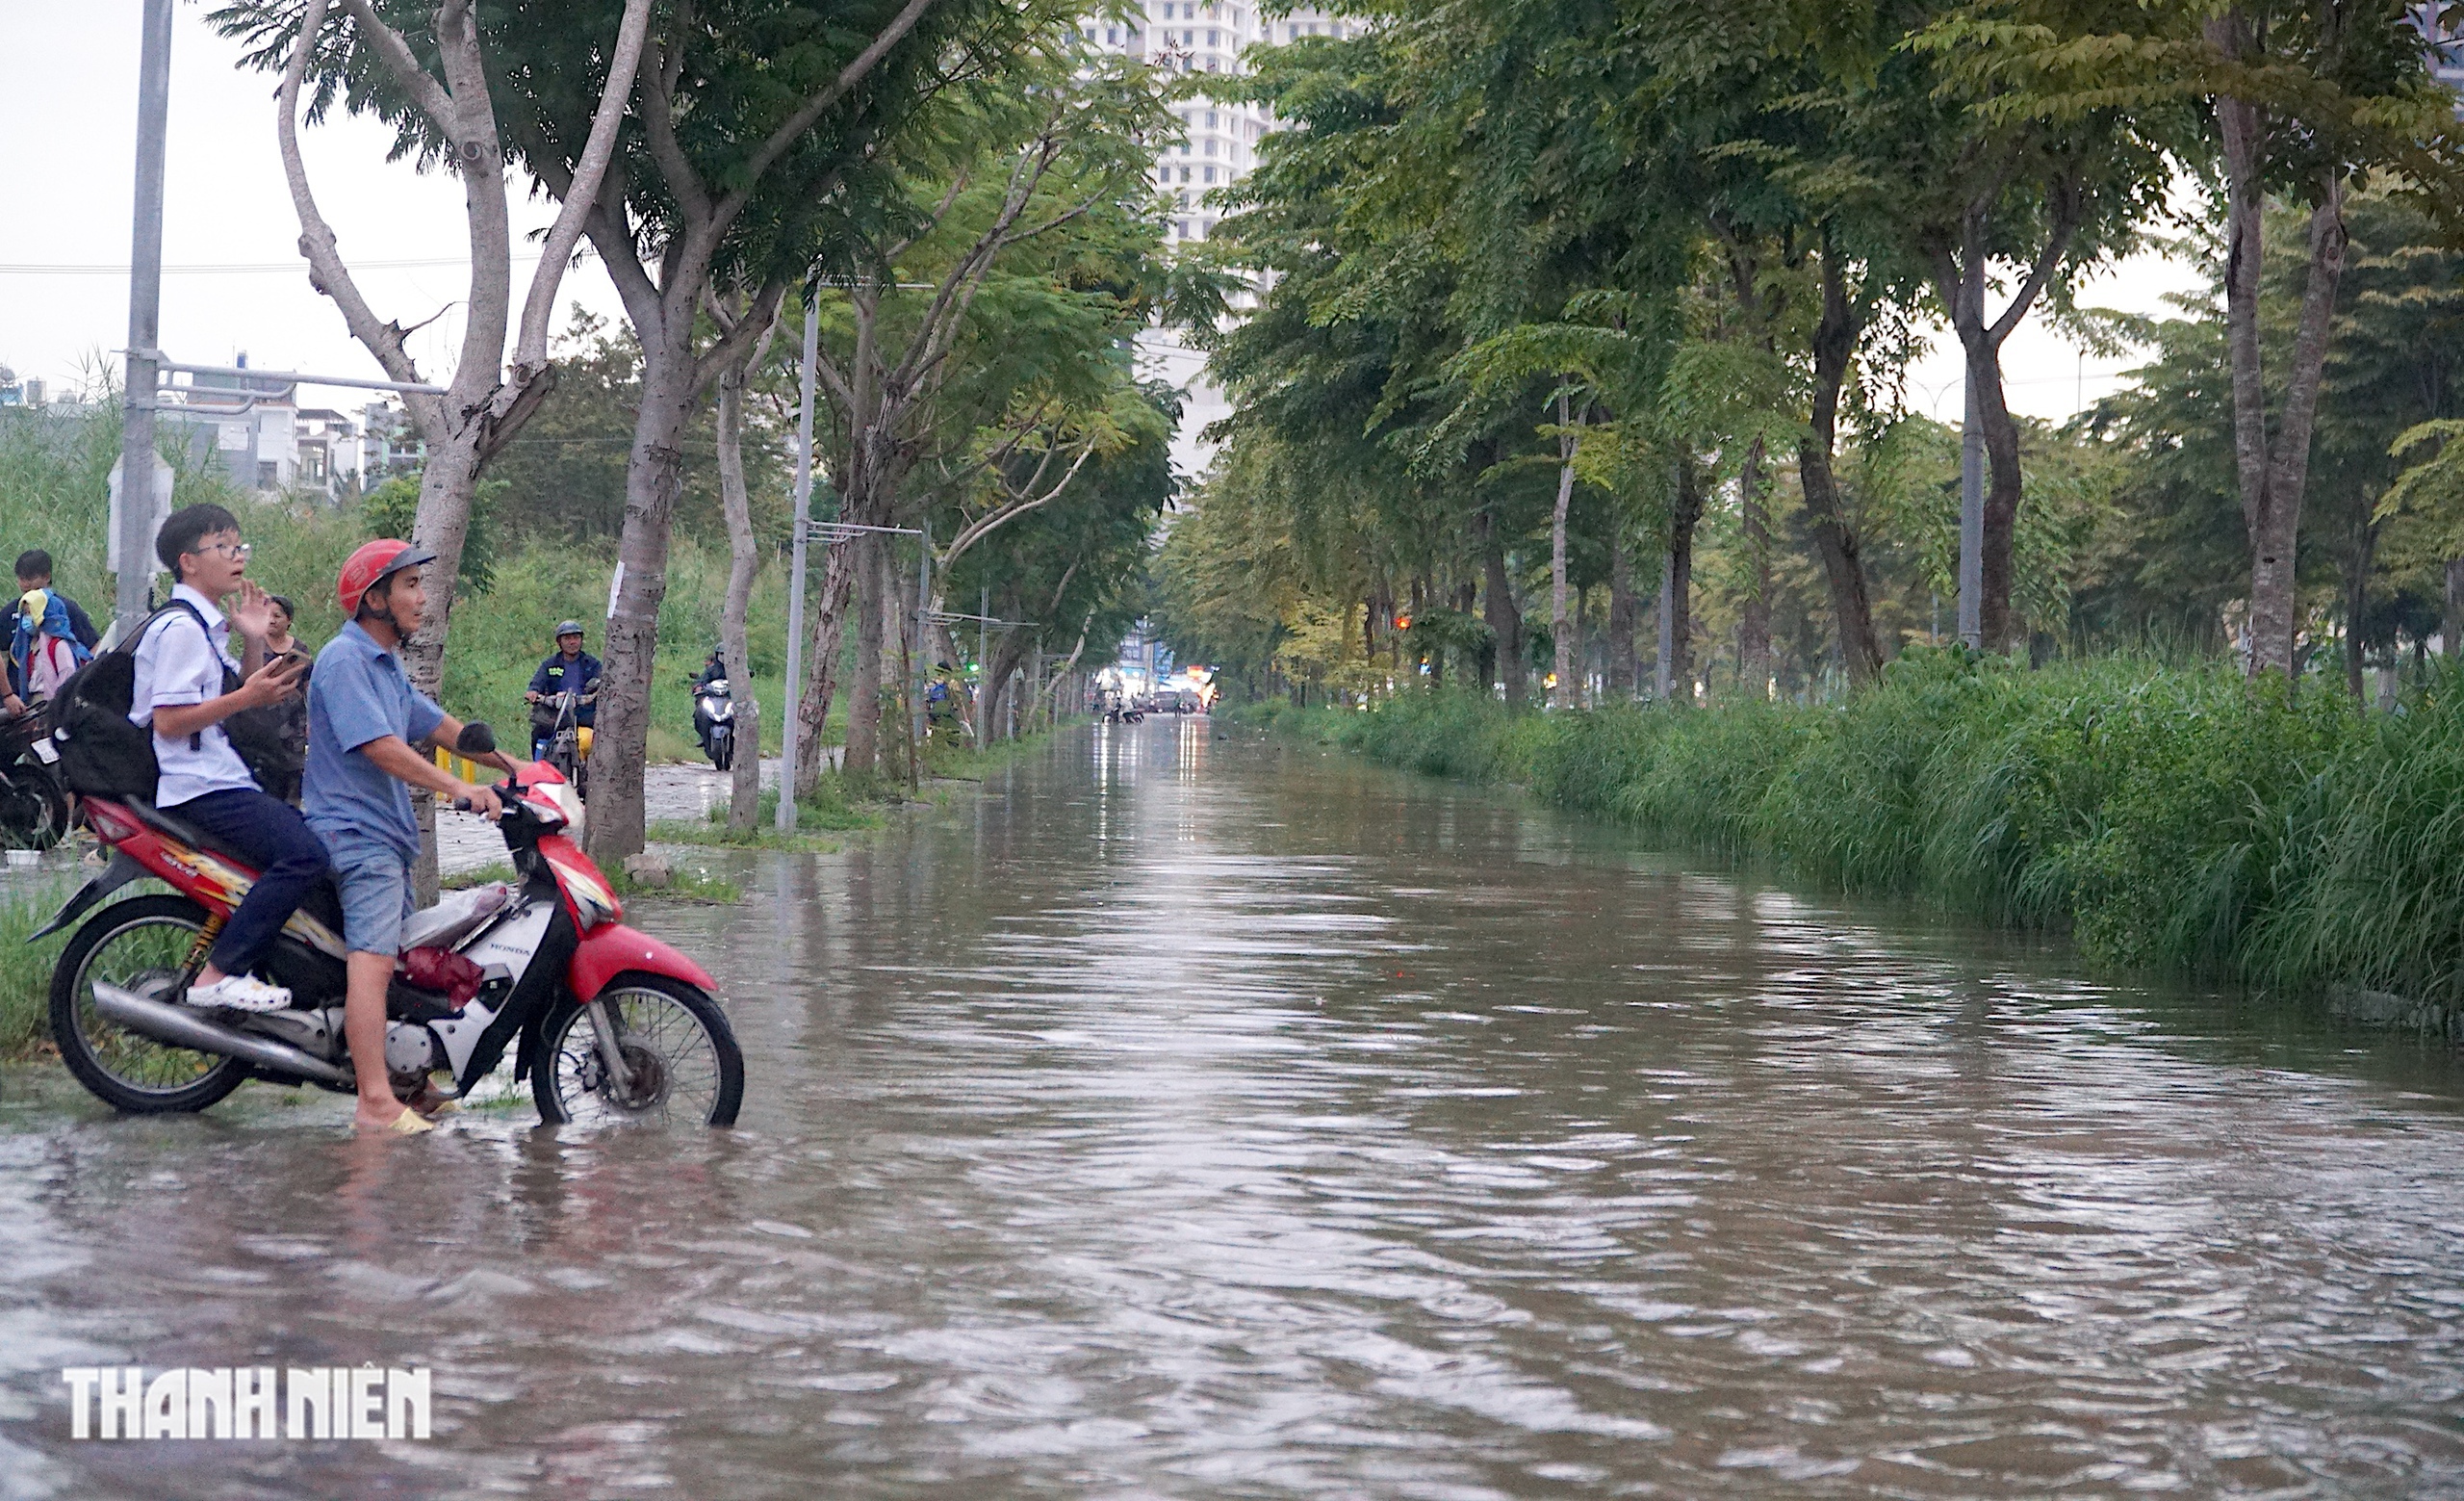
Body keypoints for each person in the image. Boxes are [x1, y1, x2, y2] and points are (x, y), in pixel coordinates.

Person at [306, 538, 505, 1134]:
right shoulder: (344, 661)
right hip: (355, 837)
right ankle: (373, 1101)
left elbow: (444, 728)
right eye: (410, 586)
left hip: (386, 840)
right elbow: (381, 748)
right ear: (374, 598)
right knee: (374, 964)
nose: (423, 597)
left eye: (422, 584)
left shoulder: (384, 662)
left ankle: (407, 1083)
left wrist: (519, 771)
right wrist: (459, 788)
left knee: (402, 966)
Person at [129, 505, 320, 1013]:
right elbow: (169, 721)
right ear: (188, 562)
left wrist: (254, 639)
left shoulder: (205, 627)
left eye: (240, 547)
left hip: (219, 777)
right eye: (225, 548)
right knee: (305, 855)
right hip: (199, 785)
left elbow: (241, 700)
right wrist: (246, 698)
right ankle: (220, 973)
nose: (237, 558)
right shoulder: (182, 630)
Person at [258, 595, 311, 804]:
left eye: (277, 616)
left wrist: (312, 721)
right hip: (263, 722)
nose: (271, 620)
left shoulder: (300, 650)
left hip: (294, 722)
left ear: (288, 620)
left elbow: (309, 685)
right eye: (267, 615)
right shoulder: (257, 646)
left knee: (293, 776)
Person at [525, 621, 600, 760]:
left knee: (587, 740)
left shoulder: (592, 664)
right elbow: (537, 682)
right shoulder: (550, 664)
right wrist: (533, 692)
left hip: (583, 717)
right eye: (567, 638)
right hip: (554, 717)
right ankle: (539, 772)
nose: (572, 642)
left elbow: (600, 683)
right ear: (559, 642)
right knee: (539, 736)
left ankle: (588, 771)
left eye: (576, 637)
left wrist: (592, 693)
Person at [9, 587, 90, 711]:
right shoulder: (29, 647)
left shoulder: (58, 646)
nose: (26, 618)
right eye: (24, 614)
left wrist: (55, 706)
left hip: (50, 705)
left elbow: (67, 675)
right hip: (34, 703)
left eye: (30, 613)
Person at [14, 551, 98, 649]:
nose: (25, 584)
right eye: (21, 579)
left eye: (30, 578)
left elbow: (94, 645)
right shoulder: (12, 610)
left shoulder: (66, 608)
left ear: (47, 577)